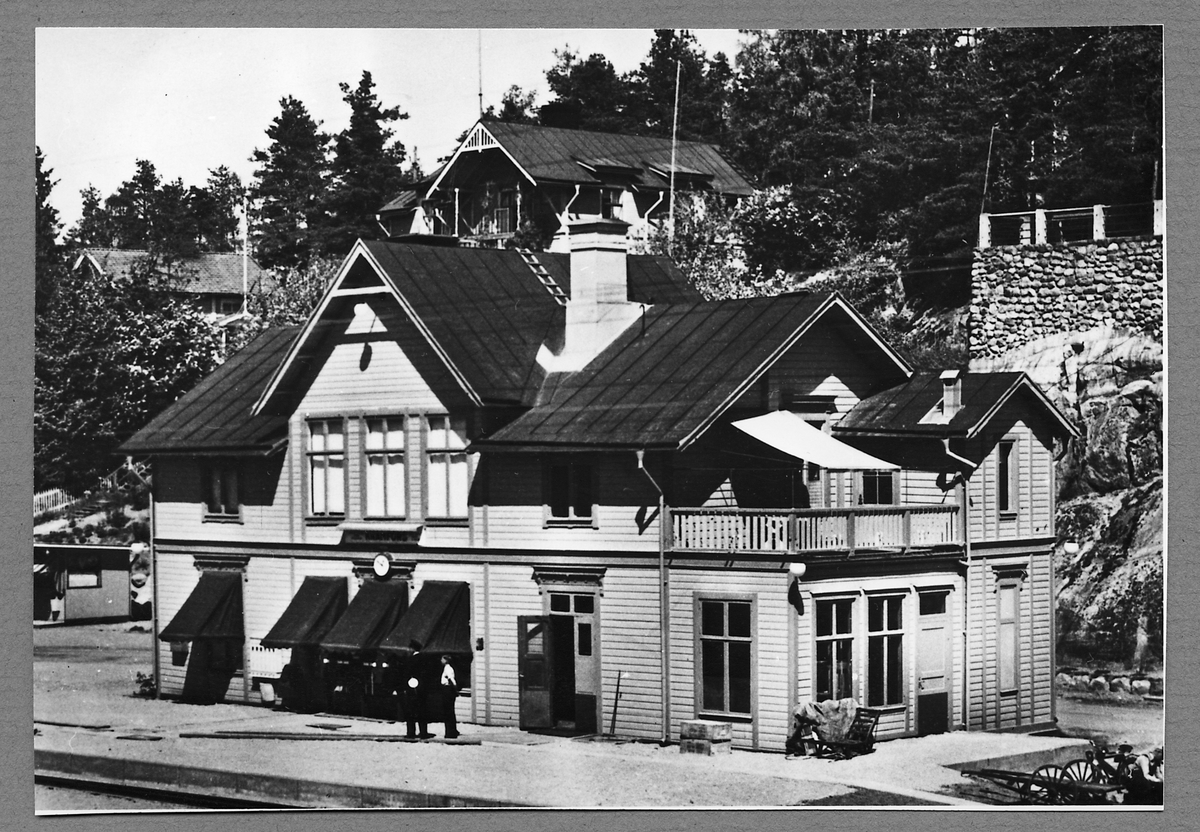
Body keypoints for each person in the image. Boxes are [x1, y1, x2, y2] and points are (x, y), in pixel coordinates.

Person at [402, 641, 432, 740]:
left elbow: (406, 674)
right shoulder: (425, 659)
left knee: (410, 711)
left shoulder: (410, 660)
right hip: (422, 688)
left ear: (412, 649)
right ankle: (423, 732)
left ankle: (411, 732)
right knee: (422, 710)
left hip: (412, 687)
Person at [440, 655, 460, 739]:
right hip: (447, 689)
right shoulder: (447, 668)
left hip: (447, 690)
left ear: (446, 660)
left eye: (442, 659)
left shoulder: (448, 668)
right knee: (449, 711)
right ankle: (452, 730)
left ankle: (450, 732)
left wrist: (455, 689)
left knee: (448, 711)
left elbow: (452, 680)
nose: (441, 660)